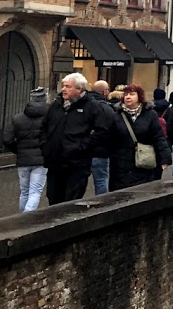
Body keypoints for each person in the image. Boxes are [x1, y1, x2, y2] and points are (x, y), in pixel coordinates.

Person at [41, 73, 111, 204]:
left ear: (79, 89)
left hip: (77, 164)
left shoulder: (92, 106)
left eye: (68, 86)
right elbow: (44, 127)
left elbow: (101, 131)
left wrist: (82, 146)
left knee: (71, 202)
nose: (63, 89)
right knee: (53, 199)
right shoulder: (56, 105)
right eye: (63, 86)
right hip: (55, 162)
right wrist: (45, 146)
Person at [110, 84, 172, 190]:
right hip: (121, 163)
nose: (128, 97)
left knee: (142, 190)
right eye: (126, 94)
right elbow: (109, 137)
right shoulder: (116, 115)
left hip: (144, 161)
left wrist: (164, 157)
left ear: (139, 96)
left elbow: (158, 137)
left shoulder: (150, 114)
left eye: (132, 94)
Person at [6, 88, 48, 212]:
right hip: (41, 159)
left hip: (23, 159)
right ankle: (27, 218)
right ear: (44, 99)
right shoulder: (48, 118)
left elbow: (7, 139)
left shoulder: (17, 118)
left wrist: (18, 150)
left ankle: (22, 217)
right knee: (35, 191)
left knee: (24, 192)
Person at [87, 80, 119, 195]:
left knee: (77, 182)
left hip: (80, 151)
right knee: (101, 181)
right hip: (101, 151)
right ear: (105, 92)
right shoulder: (107, 109)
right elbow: (109, 130)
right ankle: (101, 203)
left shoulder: (84, 105)